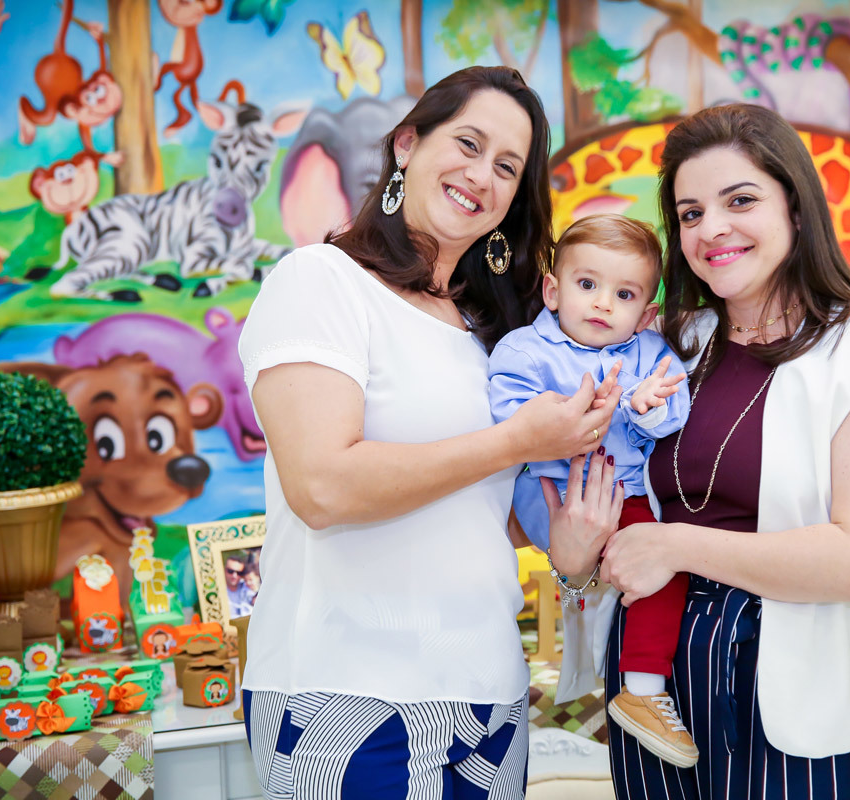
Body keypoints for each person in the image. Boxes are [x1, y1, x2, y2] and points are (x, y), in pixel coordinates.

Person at [546, 104, 850, 799]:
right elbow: (611, 507)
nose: (712, 228)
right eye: (690, 213)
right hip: (652, 670)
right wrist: (579, 556)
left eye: (739, 201)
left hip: (787, 673)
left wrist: (675, 546)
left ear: (795, 208)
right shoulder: (671, 344)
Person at [236, 66, 622, 799]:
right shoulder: (321, 281)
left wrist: (575, 542)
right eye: (468, 144)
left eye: (507, 167)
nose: (482, 175)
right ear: (407, 143)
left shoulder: (495, 333)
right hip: (344, 696)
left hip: (487, 698)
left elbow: (483, 512)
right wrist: (517, 443)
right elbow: (322, 488)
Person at [487, 214, 697, 767]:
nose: (603, 304)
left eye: (624, 294)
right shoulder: (524, 351)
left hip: (626, 495)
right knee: (643, 563)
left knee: (661, 564)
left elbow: (675, 408)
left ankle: (642, 690)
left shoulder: (650, 352)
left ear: (645, 313)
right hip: (554, 496)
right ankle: (639, 680)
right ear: (553, 291)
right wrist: (575, 416)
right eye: (587, 284)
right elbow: (508, 418)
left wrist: (645, 408)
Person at [224, 552, 256, 617]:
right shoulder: (217, 591)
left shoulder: (247, 587)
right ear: (224, 570)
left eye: (239, 573)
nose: (234, 576)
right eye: (230, 571)